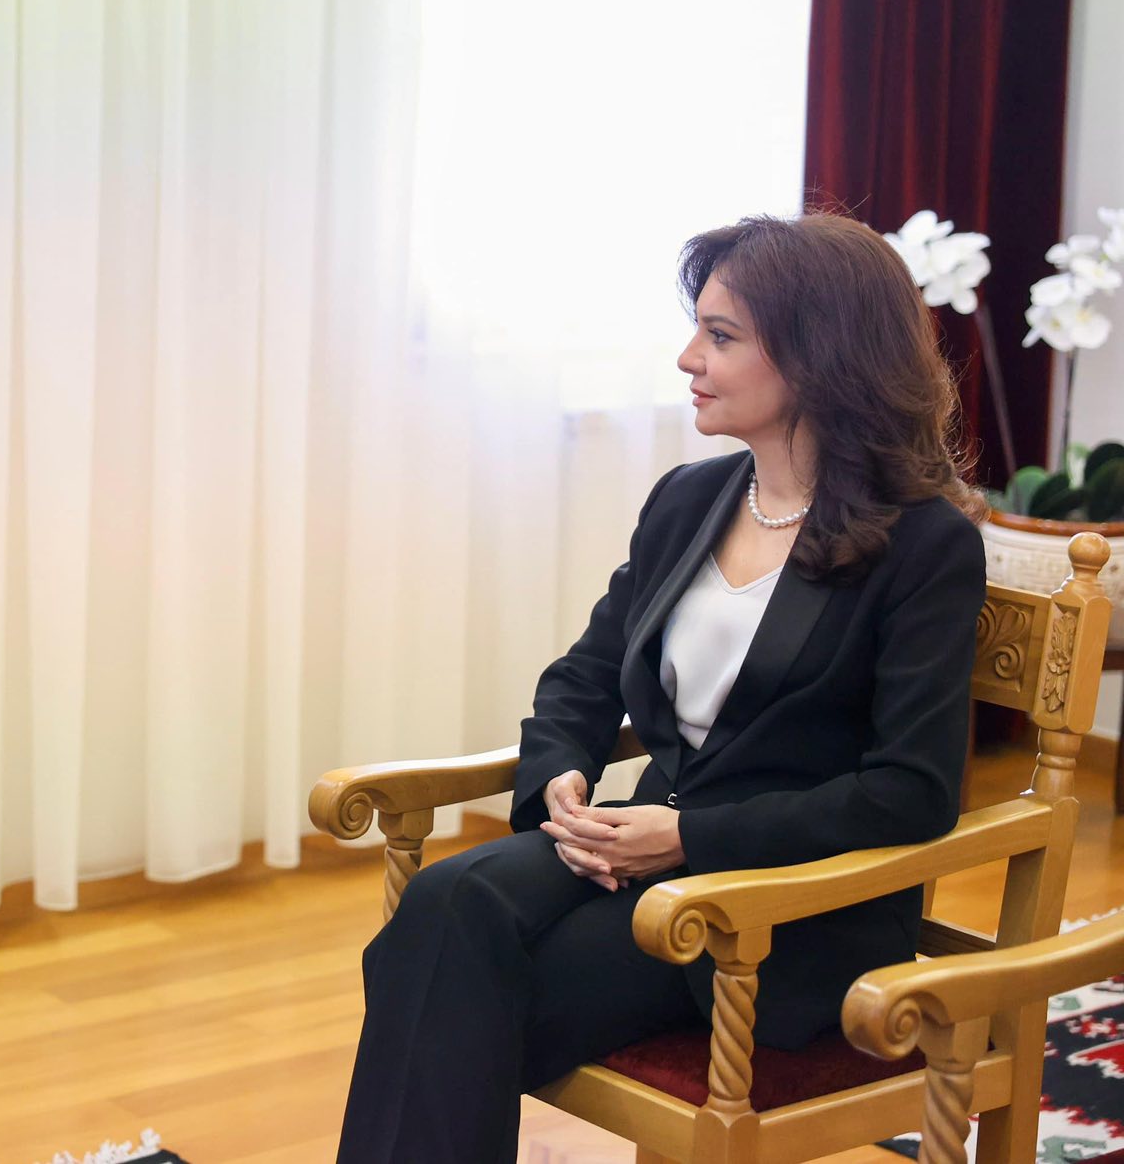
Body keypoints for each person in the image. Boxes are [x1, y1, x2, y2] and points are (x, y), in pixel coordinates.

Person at [334, 213, 989, 1162]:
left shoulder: (925, 545)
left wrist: (687, 837)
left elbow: (912, 792)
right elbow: (587, 676)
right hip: (636, 853)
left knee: (433, 986)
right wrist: (559, 777)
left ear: (820, 356)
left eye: (721, 336)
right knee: (447, 906)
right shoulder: (690, 500)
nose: (689, 358)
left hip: (777, 910)